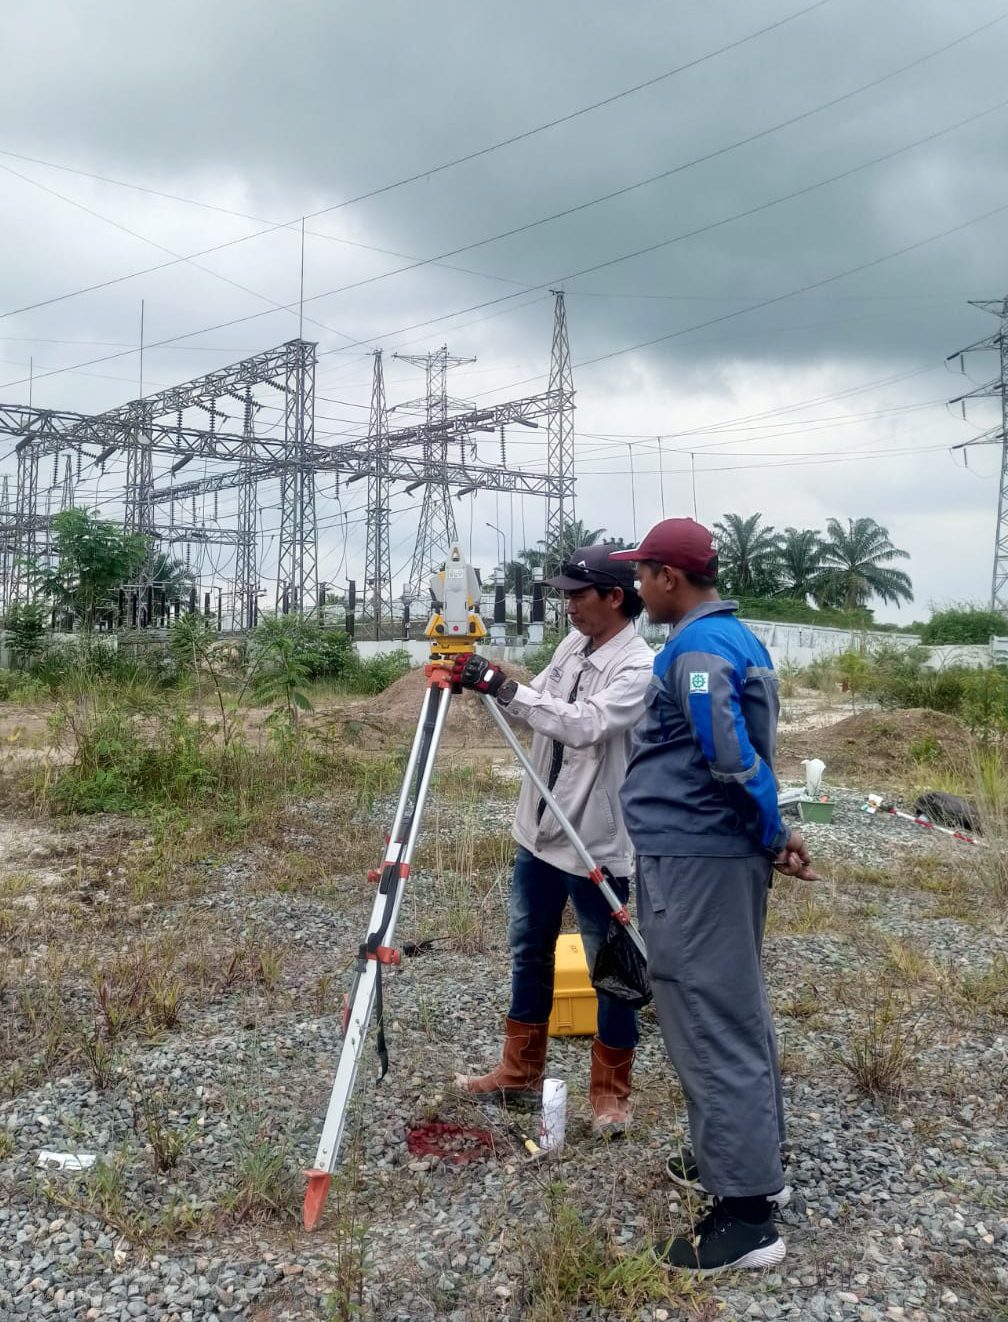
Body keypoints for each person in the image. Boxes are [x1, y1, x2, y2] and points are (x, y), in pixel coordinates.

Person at [609, 518, 818, 1272]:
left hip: (697, 857)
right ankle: (749, 1161)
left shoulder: (694, 649)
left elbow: (729, 759)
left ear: (671, 576)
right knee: (735, 1005)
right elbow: (748, 755)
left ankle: (745, 1214)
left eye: (643, 575)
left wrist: (769, 833)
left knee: (706, 1012)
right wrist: (774, 830)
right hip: (715, 853)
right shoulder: (735, 638)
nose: (637, 588)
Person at [450, 544, 654, 1134]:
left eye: (576, 595)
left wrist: (507, 687)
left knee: (611, 969)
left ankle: (611, 1095)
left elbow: (586, 724)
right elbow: (537, 709)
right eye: (562, 594)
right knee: (528, 952)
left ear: (614, 597)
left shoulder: (637, 668)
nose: (566, 605)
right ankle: (518, 1074)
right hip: (538, 833)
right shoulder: (571, 647)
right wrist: (490, 685)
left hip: (593, 843)